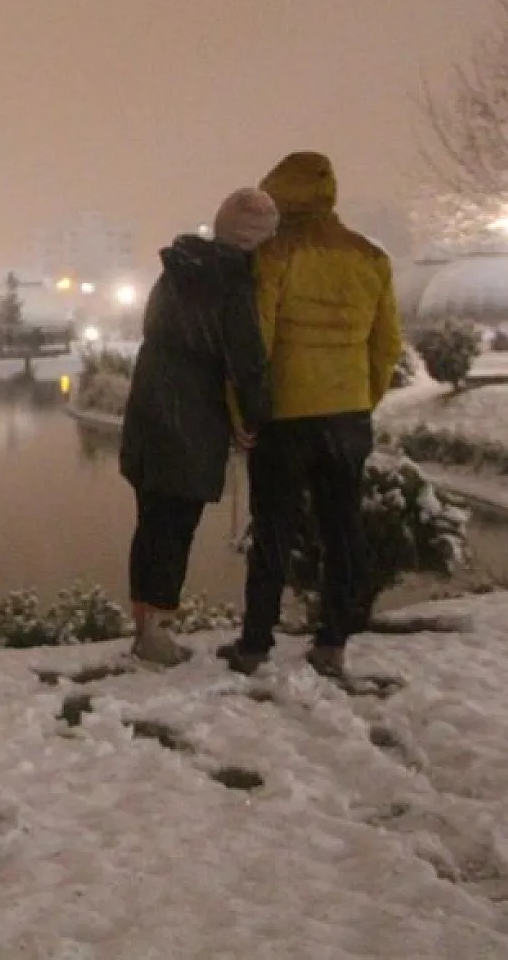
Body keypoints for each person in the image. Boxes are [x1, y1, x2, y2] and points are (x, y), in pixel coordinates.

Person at [220, 151, 403, 678]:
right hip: (348, 415)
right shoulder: (371, 257)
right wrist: (364, 398)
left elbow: (256, 344)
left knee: (274, 530)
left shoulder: (275, 255)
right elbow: (387, 343)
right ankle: (333, 639)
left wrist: (243, 413)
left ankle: (255, 644)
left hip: (287, 419)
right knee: (343, 528)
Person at [118, 187, 277, 667]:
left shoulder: (178, 270)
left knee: (151, 522)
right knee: (175, 526)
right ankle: (156, 634)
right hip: (190, 416)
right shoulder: (229, 282)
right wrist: (255, 417)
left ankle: (145, 624)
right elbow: (247, 361)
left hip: (148, 406)